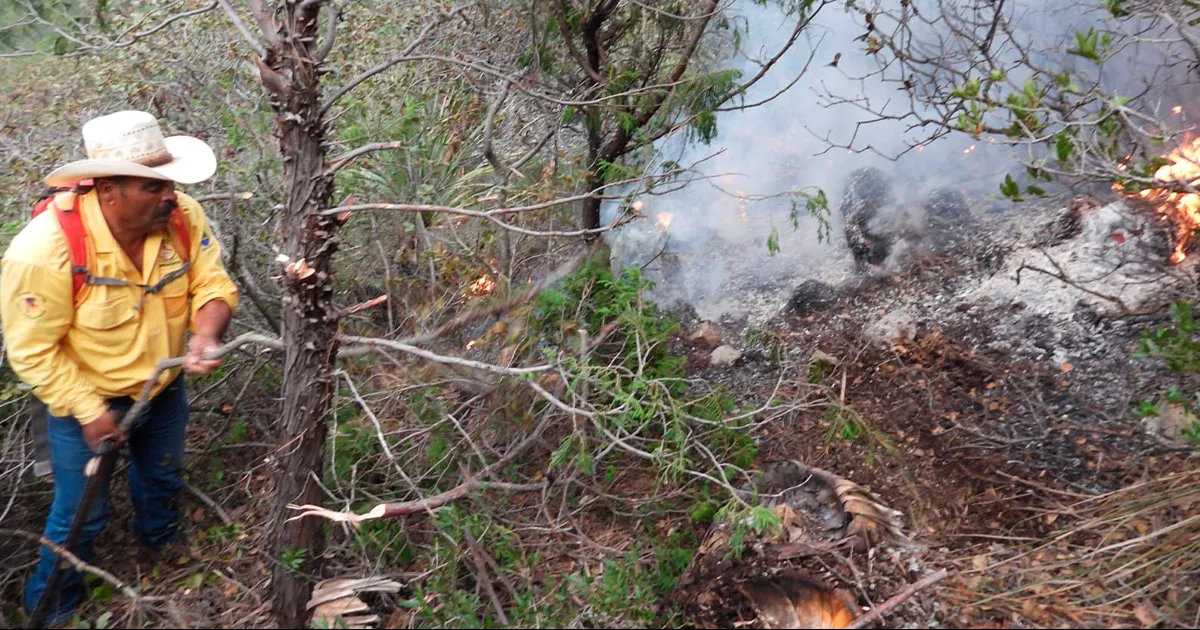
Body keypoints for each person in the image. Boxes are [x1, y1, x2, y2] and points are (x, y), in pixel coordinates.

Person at [0, 110, 239, 625]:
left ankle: (162, 552)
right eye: (151, 186)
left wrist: (205, 332)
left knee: (162, 479)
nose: (169, 195)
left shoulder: (180, 218)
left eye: (169, 182)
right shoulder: (45, 252)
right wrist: (89, 412)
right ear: (107, 189)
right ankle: (50, 611)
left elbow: (212, 284)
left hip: (164, 391)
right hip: (83, 402)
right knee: (79, 517)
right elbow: (32, 351)